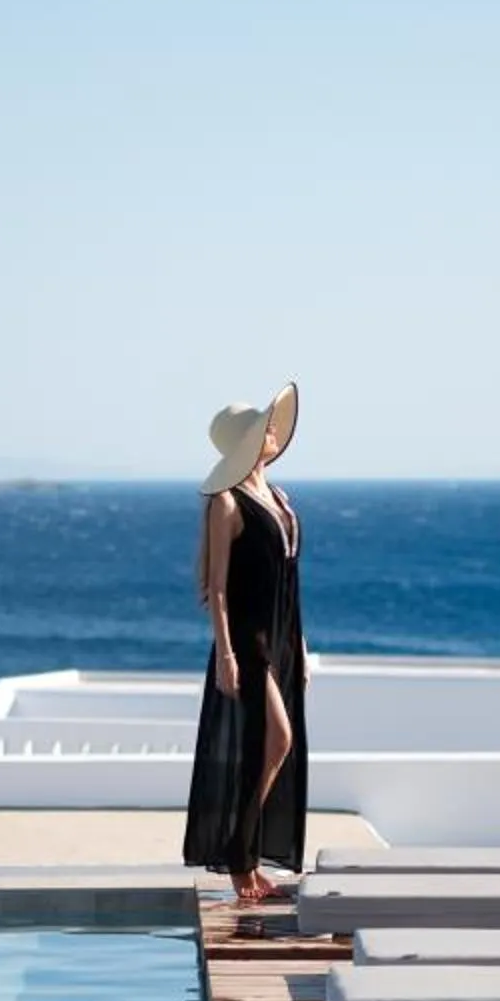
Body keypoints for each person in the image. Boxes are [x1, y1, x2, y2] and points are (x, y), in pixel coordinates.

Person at [183, 383, 307, 902]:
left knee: (276, 744)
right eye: (263, 429)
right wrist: (227, 655)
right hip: (249, 640)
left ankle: (248, 859)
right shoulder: (226, 502)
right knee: (272, 741)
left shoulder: (277, 496)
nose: (274, 433)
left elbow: (290, 580)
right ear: (245, 442)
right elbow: (217, 587)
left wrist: (299, 646)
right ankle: (240, 860)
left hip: (280, 636)